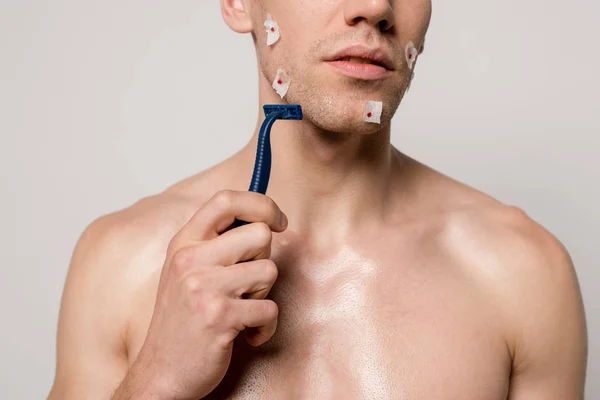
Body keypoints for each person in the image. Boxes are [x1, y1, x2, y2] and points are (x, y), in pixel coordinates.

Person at [48, 0, 588, 399]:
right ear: (239, 5)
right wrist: (156, 381)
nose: (375, 8)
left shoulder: (521, 272)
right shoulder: (122, 262)